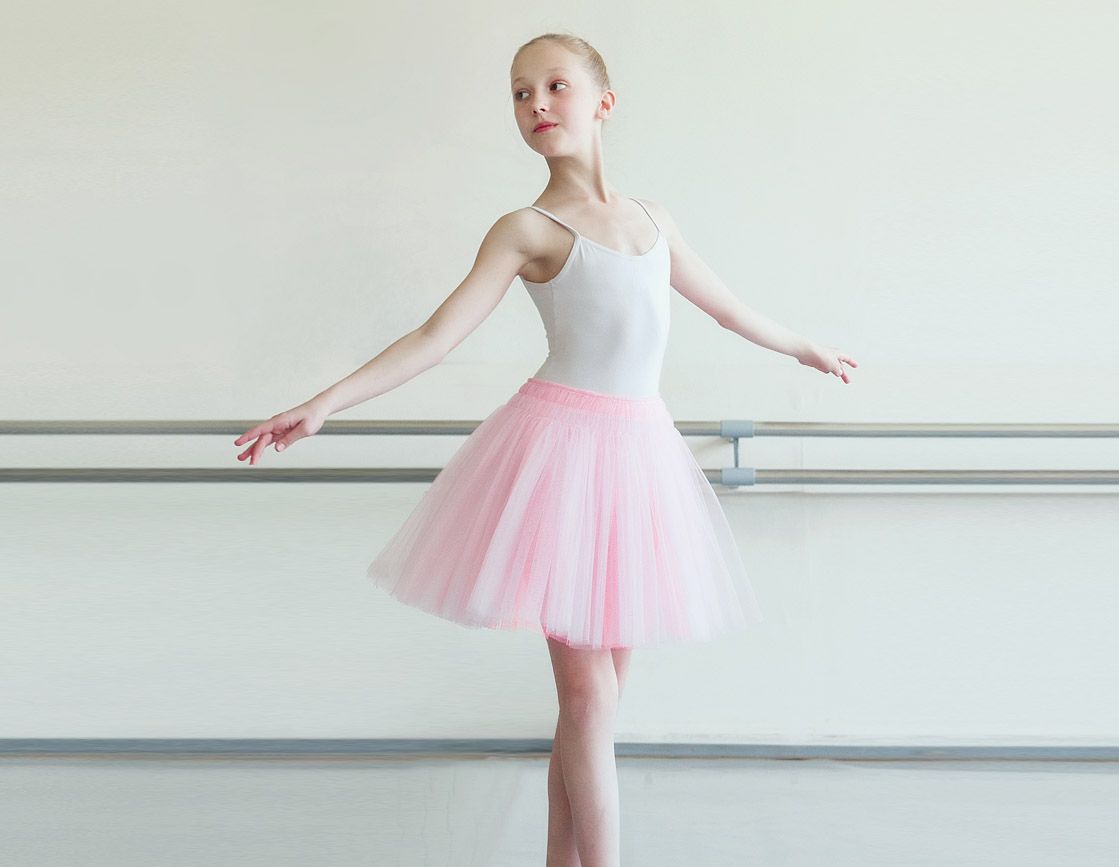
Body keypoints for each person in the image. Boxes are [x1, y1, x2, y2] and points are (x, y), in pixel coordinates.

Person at [234, 31, 856, 867]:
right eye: (519, 94)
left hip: (641, 460)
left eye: (553, 87)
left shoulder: (652, 220)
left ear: (603, 101)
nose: (534, 106)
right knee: (589, 699)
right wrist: (323, 403)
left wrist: (800, 346)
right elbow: (435, 335)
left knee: (596, 706)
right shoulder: (527, 228)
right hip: (559, 459)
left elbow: (728, 308)